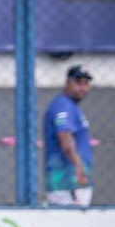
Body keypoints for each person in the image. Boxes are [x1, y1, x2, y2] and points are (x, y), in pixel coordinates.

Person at [43, 65, 94, 207]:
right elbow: (65, 139)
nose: (82, 87)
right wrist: (79, 168)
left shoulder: (70, 106)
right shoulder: (63, 106)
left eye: (86, 83)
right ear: (67, 83)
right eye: (78, 82)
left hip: (70, 184)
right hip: (68, 184)